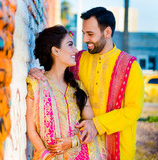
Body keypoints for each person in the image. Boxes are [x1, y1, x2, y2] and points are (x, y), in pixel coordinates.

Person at [29, 7, 144, 160]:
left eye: (90, 34)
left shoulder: (130, 66)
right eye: (84, 33)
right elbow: (55, 67)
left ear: (107, 33)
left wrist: (96, 124)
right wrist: (34, 71)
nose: (84, 40)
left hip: (118, 148)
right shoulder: (78, 59)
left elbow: (133, 110)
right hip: (81, 149)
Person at [26, 25, 106, 160]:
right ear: (55, 51)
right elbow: (31, 130)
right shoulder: (36, 84)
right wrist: (47, 157)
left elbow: (90, 126)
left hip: (80, 155)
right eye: (70, 45)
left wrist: (73, 141)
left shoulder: (78, 87)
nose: (76, 50)